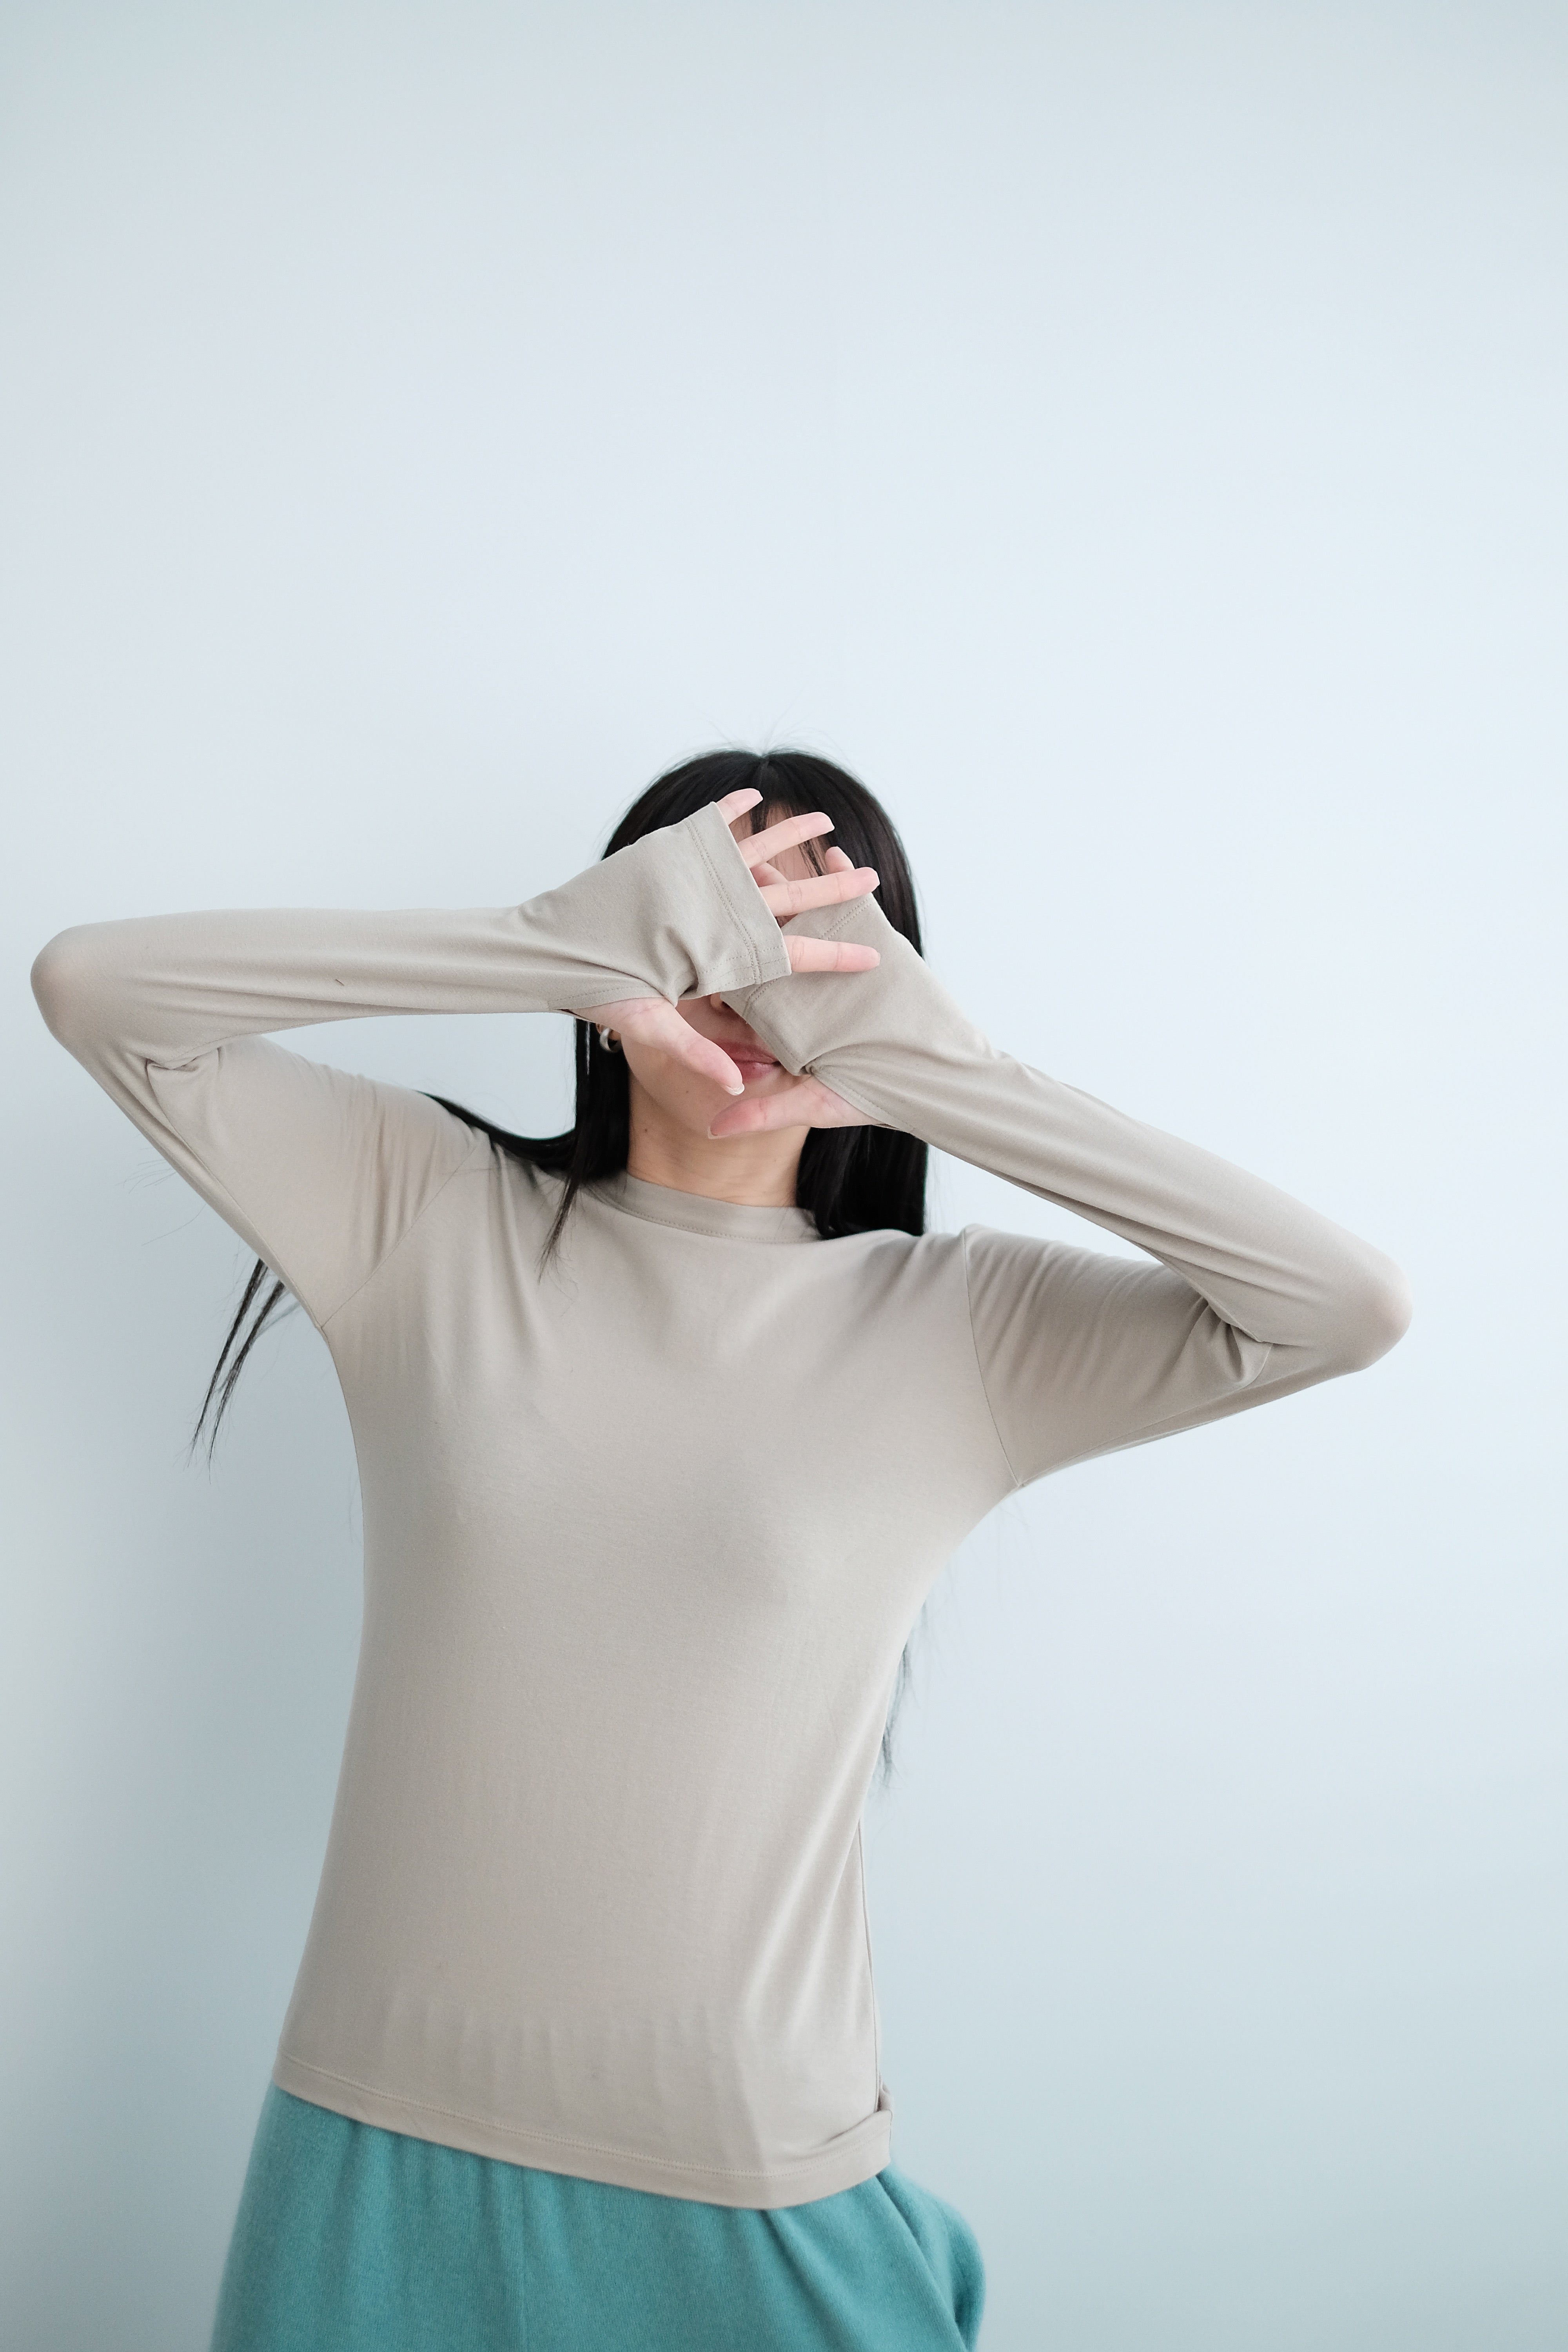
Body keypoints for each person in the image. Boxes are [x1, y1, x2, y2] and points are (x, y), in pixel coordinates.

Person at [30, 748, 1410, 2351]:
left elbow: (1343, 1307)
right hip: (375, 2151)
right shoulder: (421, 1213)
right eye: (718, 928)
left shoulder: (960, 1329)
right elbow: (93, 991)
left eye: (818, 945)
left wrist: (935, 1070)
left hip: (754, 2187)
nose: (756, 987)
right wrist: (559, 943)